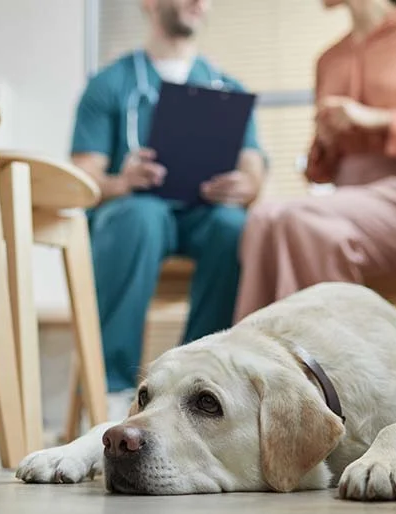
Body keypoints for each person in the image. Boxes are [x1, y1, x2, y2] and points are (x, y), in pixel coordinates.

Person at [71, 0, 266, 415]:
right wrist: (121, 182)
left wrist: (244, 184)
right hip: (135, 218)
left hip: (203, 215)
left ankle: (197, 381)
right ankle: (111, 390)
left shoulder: (226, 87)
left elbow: (253, 167)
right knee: (138, 216)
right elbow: (82, 177)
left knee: (233, 227)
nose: (200, 3)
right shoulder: (110, 84)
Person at [234, 0, 396, 321]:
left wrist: (377, 120)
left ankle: (307, 361)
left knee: (301, 223)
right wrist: (324, 143)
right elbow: (320, 171)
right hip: (346, 200)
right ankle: (263, 362)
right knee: (262, 219)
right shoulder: (329, 60)